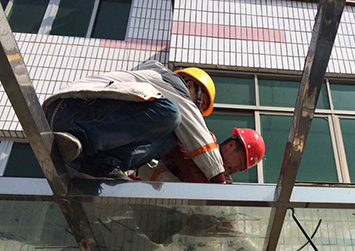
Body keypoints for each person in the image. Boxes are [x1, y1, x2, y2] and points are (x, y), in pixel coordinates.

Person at [42, 61, 229, 182]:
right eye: (199, 103)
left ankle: (102, 166)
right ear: (189, 84)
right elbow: (194, 127)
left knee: (172, 136)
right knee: (171, 113)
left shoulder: (153, 122)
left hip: (80, 149)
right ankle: (82, 138)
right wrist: (218, 181)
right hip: (72, 109)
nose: (196, 110)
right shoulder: (171, 80)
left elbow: (147, 166)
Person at [135, 127, 265, 183]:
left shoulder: (225, 183)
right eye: (240, 162)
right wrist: (214, 183)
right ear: (230, 145)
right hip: (149, 182)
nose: (237, 170)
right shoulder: (205, 142)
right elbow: (185, 159)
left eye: (241, 169)